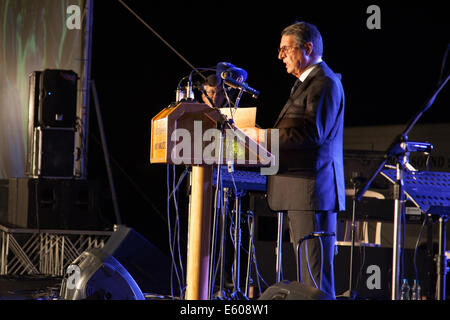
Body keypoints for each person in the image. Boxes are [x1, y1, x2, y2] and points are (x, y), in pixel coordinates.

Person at [242, 21, 345, 298]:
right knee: (306, 281)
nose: (280, 55)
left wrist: (263, 137)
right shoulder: (306, 84)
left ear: (307, 48)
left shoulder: (324, 83)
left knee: (315, 284)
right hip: (300, 193)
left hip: (311, 193)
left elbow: (312, 134)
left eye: (285, 49)